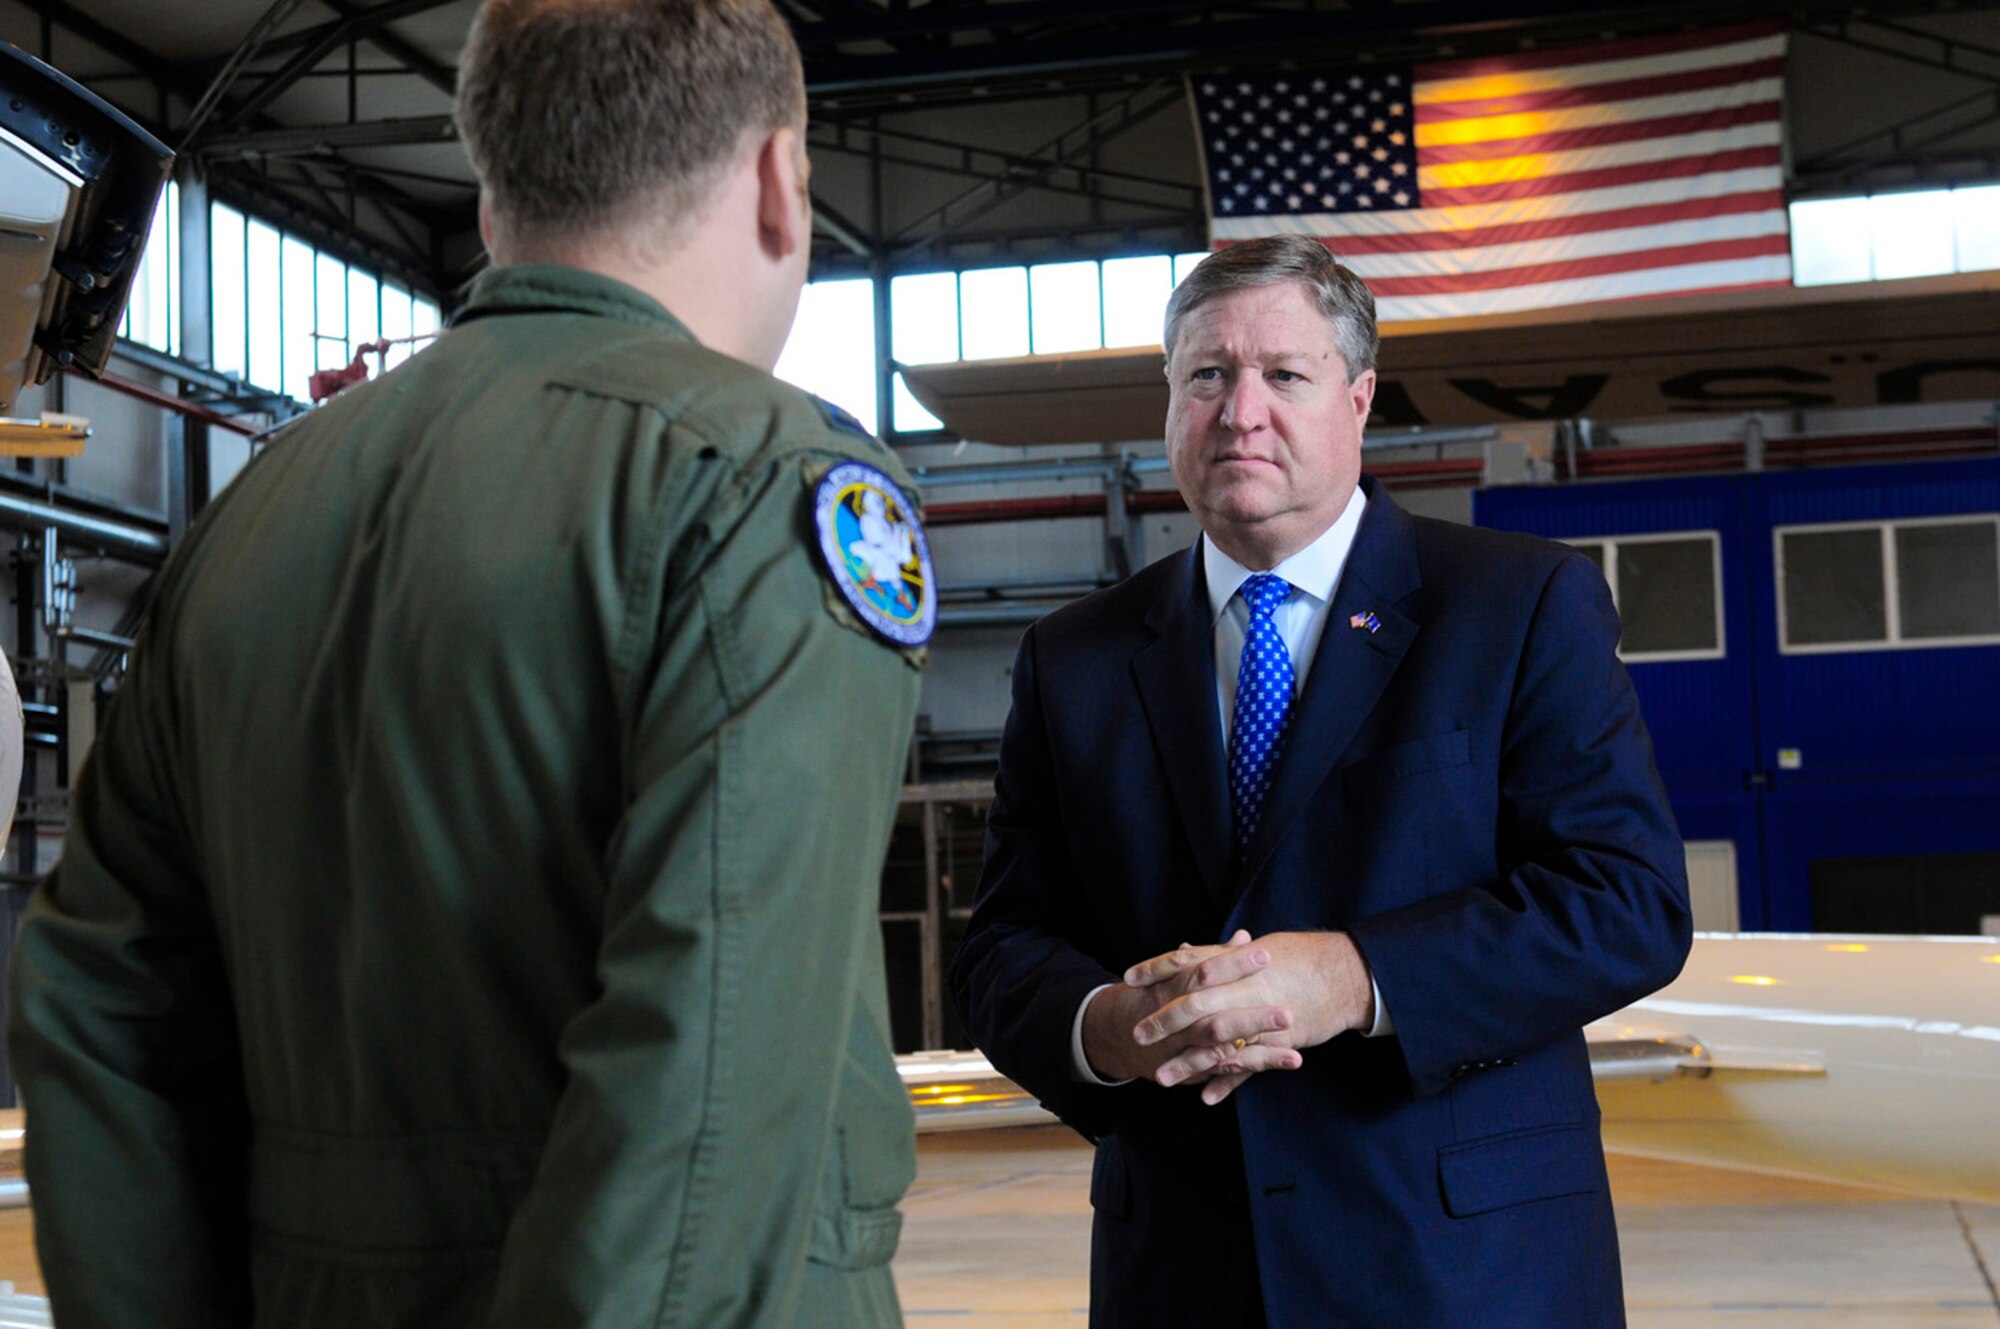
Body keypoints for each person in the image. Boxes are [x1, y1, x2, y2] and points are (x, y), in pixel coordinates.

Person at [7, 2, 932, 1326]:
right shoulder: (758, 483)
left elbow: (98, 1005)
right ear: (781, 181)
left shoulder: (258, 512)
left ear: (494, 195)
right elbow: (710, 1074)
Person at [950, 234, 1691, 1329]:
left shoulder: (1515, 604)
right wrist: (1107, 1028)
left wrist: (1352, 976)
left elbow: (1625, 904)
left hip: (1464, 1272)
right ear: (1168, 402)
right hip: (1183, 1272)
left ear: (1356, 399)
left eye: (1282, 375)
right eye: (1206, 375)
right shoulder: (1074, 658)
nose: (1240, 411)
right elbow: (1004, 946)